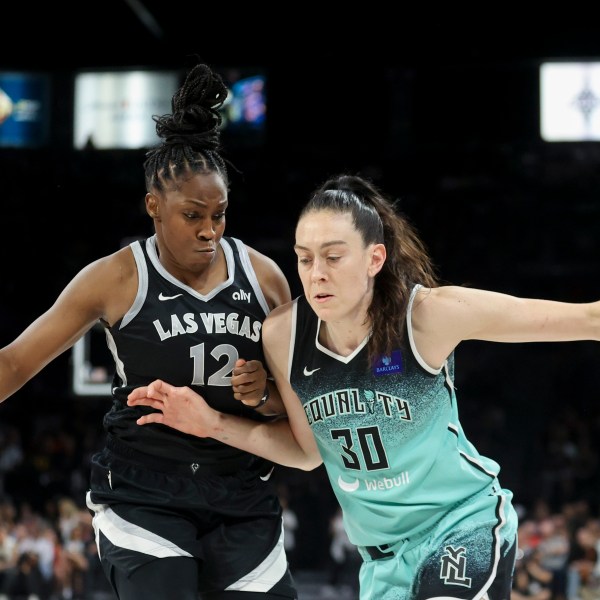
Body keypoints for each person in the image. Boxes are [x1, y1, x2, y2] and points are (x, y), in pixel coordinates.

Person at [126, 174, 600, 600]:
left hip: (461, 524)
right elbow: (308, 452)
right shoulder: (283, 334)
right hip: (379, 561)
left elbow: (586, 317)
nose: (316, 274)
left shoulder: (427, 316)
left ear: (375, 258)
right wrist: (212, 423)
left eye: (333, 257)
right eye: (305, 259)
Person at [0, 62, 297, 600]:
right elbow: (15, 363)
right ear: (154, 207)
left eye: (220, 215)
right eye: (193, 215)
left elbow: (295, 409)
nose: (210, 230)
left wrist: (265, 394)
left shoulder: (265, 277)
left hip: (240, 493)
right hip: (144, 490)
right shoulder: (115, 277)